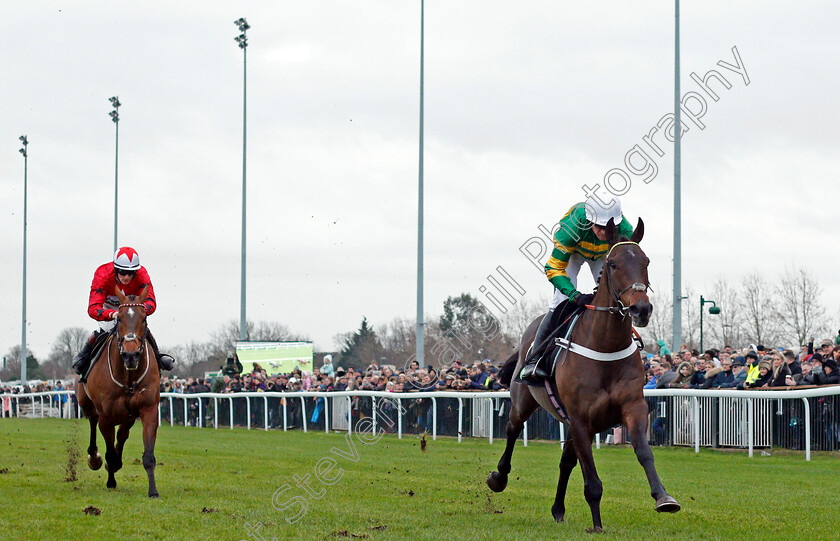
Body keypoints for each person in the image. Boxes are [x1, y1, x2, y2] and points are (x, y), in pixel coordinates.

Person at [520, 191, 634, 381]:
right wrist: (574, 295)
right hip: (574, 252)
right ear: (590, 222)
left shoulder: (625, 230)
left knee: (616, 297)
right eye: (600, 227)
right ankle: (534, 359)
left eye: (610, 227)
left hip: (602, 256)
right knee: (561, 301)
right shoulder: (570, 230)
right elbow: (553, 268)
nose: (605, 233)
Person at [72, 247, 174, 382]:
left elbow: (151, 301)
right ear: (115, 269)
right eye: (122, 272)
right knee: (105, 329)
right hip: (109, 307)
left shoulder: (142, 274)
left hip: (133, 306)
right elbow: (93, 308)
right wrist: (111, 314)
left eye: (131, 273)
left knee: (140, 328)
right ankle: (84, 358)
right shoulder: (102, 274)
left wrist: (139, 311)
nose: (126, 277)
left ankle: (158, 357)